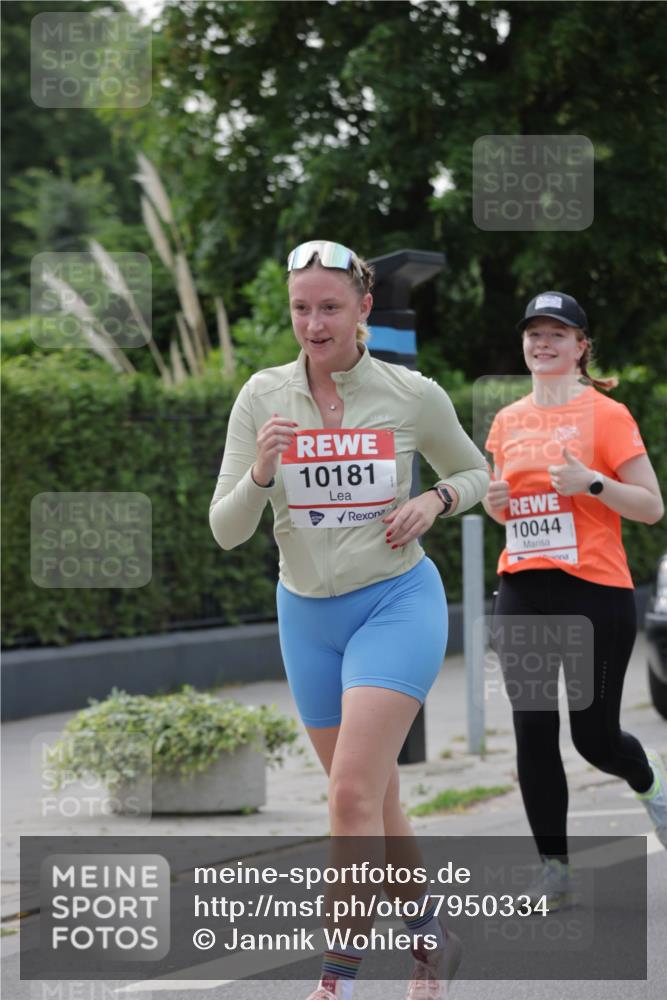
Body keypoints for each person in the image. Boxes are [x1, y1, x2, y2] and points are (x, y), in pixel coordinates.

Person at [209, 240, 489, 999]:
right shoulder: (261, 397)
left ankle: (335, 982)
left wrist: (435, 499)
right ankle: (430, 939)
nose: (314, 324)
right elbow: (225, 530)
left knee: (349, 798)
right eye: (301, 309)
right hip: (305, 617)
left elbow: (477, 473)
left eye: (330, 307)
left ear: (363, 308)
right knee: (376, 800)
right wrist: (261, 472)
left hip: (395, 604)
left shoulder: (411, 394)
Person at [482, 290, 667, 908]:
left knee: (595, 740)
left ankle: (649, 780)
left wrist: (592, 483)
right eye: (534, 333)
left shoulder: (607, 416)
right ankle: (555, 871)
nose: (543, 343)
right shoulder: (507, 420)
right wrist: (496, 502)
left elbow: (650, 506)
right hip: (522, 587)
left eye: (557, 334)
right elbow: (504, 505)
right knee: (533, 730)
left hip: (595, 592)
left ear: (581, 347)